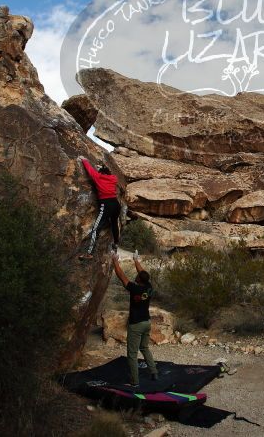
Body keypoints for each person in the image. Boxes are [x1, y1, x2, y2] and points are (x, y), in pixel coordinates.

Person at [112, 252, 158, 387]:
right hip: (146, 322)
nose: (136, 275)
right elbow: (143, 272)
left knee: (132, 354)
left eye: (137, 276)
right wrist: (136, 260)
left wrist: (115, 261)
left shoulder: (135, 288)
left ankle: (134, 382)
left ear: (139, 279)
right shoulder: (148, 287)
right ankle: (154, 372)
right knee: (144, 347)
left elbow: (121, 276)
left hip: (136, 324)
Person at [78, 156, 121, 259]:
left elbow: (89, 169)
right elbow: (108, 173)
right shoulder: (114, 179)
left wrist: (84, 159)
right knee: (114, 222)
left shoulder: (97, 177)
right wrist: (101, 168)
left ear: (100, 172)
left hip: (106, 205)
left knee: (96, 228)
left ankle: (89, 253)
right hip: (116, 204)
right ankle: (116, 243)